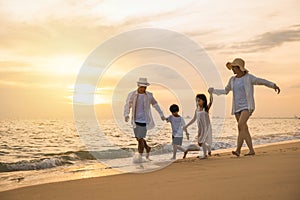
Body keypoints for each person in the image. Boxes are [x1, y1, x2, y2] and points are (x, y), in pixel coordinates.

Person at [209, 58, 280, 157]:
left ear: (239, 68)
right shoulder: (232, 79)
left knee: (240, 125)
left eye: (234, 67)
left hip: (247, 106)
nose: (232, 69)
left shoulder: (249, 78)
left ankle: (238, 150)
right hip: (237, 107)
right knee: (243, 129)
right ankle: (251, 150)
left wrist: (273, 85)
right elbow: (225, 91)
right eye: (232, 67)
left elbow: (261, 81)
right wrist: (213, 91)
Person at [124, 77, 165, 161]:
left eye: (145, 87)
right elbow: (128, 105)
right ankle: (147, 147)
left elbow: (155, 104)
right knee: (138, 138)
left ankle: (140, 157)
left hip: (144, 120)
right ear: (138, 86)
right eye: (142, 87)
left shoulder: (149, 95)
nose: (143, 89)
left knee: (140, 139)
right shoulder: (132, 94)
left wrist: (161, 114)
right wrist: (126, 114)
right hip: (135, 120)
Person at [183, 91, 213, 159]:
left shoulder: (206, 109)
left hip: (206, 128)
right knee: (200, 142)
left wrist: (211, 93)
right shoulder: (197, 110)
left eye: (199, 100)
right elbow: (194, 119)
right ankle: (208, 148)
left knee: (201, 142)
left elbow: (211, 102)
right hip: (200, 128)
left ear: (204, 101)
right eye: (197, 101)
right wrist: (186, 126)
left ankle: (205, 155)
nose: (198, 102)